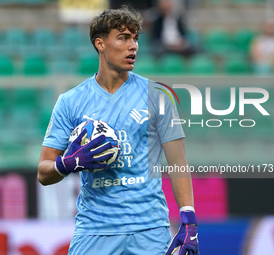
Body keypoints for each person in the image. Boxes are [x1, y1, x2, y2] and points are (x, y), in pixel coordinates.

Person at [37, 6, 199, 255]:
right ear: (100, 43)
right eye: (123, 38)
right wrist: (70, 163)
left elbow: (178, 162)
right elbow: (43, 172)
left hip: (149, 229)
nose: (133, 46)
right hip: (95, 229)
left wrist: (189, 220)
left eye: (135, 38)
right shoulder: (70, 102)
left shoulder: (158, 96)